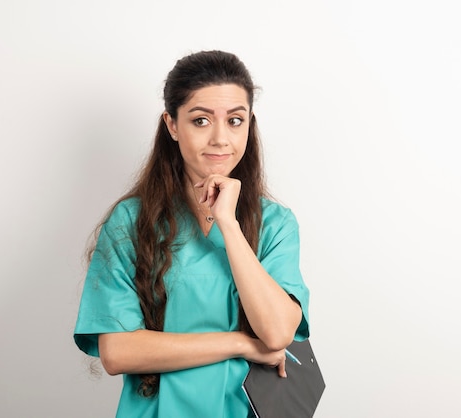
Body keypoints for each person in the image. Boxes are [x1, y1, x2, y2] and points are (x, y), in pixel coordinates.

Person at [73, 50, 310, 418]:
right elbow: (117, 351)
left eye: (235, 120)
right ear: (171, 125)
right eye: (200, 121)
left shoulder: (276, 224)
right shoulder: (131, 221)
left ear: (250, 124)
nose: (220, 138)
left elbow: (278, 333)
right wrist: (240, 344)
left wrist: (228, 224)